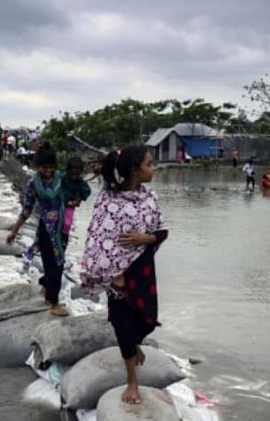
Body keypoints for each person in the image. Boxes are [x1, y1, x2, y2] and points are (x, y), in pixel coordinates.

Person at [80, 146, 168, 405]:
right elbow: (97, 239)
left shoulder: (150, 198)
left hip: (142, 270)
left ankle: (134, 344)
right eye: (149, 164)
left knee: (148, 320)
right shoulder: (108, 200)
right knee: (122, 325)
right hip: (115, 275)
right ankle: (132, 382)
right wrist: (113, 275)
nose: (153, 168)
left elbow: (161, 232)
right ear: (134, 170)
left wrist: (145, 238)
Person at [6, 143, 69, 317]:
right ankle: (53, 302)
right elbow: (26, 210)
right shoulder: (33, 184)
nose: (48, 171)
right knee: (54, 265)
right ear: (38, 166)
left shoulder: (62, 180)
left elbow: (76, 192)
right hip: (46, 230)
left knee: (58, 262)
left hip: (62, 228)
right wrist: (14, 231)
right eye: (44, 168)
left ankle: (45, 285)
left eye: (51, 167)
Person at [60, 156, 91, 247]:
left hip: (70, 206)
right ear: (67, 171)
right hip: (58, 204)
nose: (74, 177)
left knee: (67, 224)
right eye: (72, 174)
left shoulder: (81, 183)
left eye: (77, 174)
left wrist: (79, 199)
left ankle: (64, 241)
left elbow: (87, 191)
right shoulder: (62, 178)